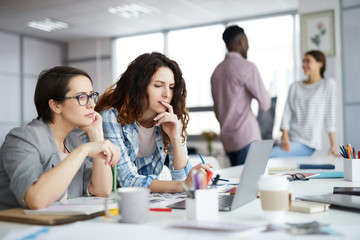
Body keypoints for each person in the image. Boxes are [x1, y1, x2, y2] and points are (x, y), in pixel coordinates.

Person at [0, 66, 120, 210]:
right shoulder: (22, 138)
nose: (92, 104)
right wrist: (84, 150)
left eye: (91, 95)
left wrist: (97, 135)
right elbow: (36, 199)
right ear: (55, 105)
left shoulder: (74, 142)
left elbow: (102, 190)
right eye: (82, 97)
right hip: (18, 229)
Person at [95, 52, 211, 193]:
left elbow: (183, 178)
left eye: (171, 87)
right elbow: (127, 179)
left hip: (143, 199)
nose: (167, 94)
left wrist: (175, 137)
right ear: (138, 87)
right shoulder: (111, 117)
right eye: (158, 85)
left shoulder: (170, 118)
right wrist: (182, 185)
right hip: (104, 199)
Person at [211, 25, 271, 166]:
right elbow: (265, 103)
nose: (248, 46)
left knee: (236, 184)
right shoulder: (247, 67)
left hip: (228, 140)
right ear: (242, 42)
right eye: (247, 42)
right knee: (252, 184)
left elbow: (218, 109)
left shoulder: (216, 72)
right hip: (247, 138)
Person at [270, 50, 337, 157]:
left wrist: (333, 145)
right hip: (290, 140)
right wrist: (285, 138)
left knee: (269, 155)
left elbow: (330, 116)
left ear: (320, 64)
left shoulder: (327, 85)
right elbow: (286, 114)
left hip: (308, 143)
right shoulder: (295, 86)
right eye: (303, 61)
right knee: (260, 153)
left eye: (308, 61)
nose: (303, 65)